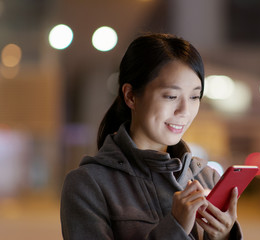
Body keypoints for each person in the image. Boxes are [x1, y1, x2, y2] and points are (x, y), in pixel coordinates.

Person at [60, 33, 242, 240]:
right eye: (171, 96)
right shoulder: (88, 184)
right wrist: (175, 227)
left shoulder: (207, 179)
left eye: (194, 97)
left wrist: (225, 236)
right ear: (130, 96)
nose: (184, 110)